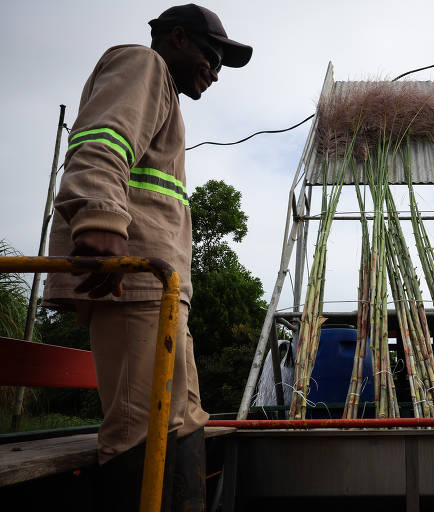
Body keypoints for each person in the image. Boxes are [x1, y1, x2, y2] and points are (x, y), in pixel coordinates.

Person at [43, 4, 252, 510]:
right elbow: (99, 142)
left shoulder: (166, 98)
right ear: (177, 38)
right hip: (133, 280)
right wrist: (99, 219)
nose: (216, 70)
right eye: (211, 54)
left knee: (183, 418)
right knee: (142, 425)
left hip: (161, 291)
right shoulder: (142, 65)